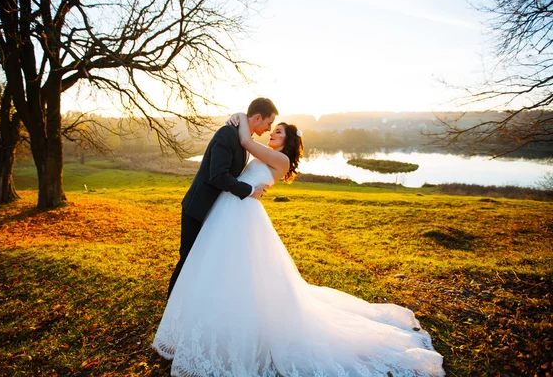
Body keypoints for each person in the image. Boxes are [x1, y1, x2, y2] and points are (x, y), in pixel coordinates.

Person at [153, 113, 445, 376]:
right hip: (230, 209)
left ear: (288, 141)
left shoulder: (280, 160)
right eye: (272, 129)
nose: (271, 134)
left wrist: (240, 116)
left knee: (242, 270)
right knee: (218, 267)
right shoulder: (267, 153)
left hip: (242, 213)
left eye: (277, 132)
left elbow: (244, 139)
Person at [166, 98, 279, 299]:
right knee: (188, 257)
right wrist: (250, 190)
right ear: (258, 117)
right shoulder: (227, 134)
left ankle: (194, 301)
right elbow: (217, 175)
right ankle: (173, 301)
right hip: (199, 208)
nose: (269, 128)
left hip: (216, 210)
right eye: (269, 123)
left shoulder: (244, 139)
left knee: (205, 259)